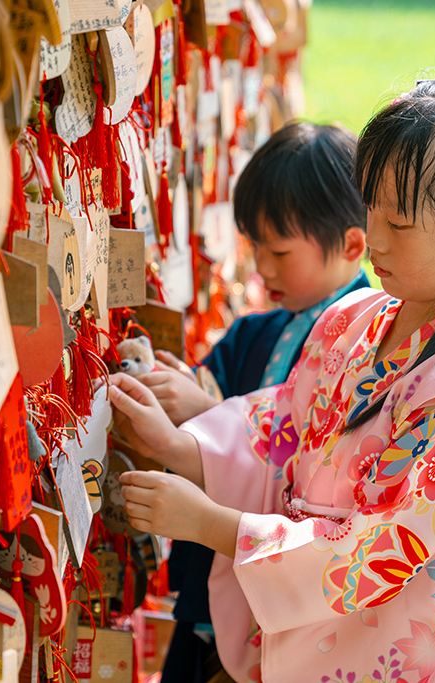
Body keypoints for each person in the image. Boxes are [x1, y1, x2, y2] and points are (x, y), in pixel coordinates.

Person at [110, 70, 435, 683]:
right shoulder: (354, 319)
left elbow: (375, 556)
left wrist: (210, 524)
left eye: (399, 223)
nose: (373, 236)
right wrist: (179, 447)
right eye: (370, 207)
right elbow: (281, 425)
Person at [142, 121, 369, 683]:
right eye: (255, 246)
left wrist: (204, 413)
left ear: (352, 245)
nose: (263, 267)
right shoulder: (252, 332)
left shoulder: (365, 352)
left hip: (282, 596)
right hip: (209, 592)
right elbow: (205, 394)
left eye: (280, 250)